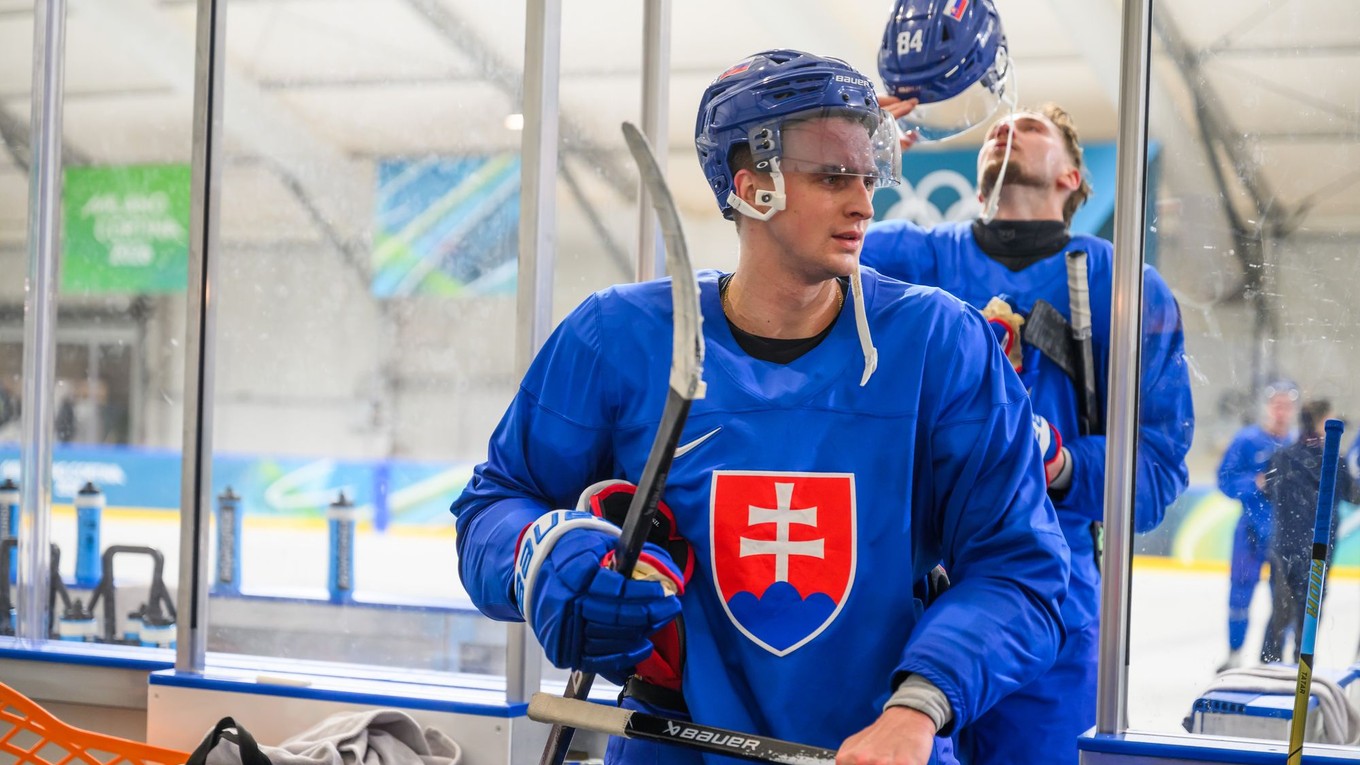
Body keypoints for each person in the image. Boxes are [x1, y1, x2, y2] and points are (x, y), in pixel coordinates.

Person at [450, 49, 1070, 765]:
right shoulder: (616, 338)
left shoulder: (941, 344)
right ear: (752, 186)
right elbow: (492, 508)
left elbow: (1020, 570)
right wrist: (541, 555)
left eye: (868, 175)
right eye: (834, 176)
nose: (864, 202)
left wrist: (919, 707)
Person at [860, 102, 1194, 765]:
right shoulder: (903, 255)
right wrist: (861, 161)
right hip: (905, 581)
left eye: (1033, 128)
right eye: (997, 130)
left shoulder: (1123, 287)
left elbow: (1155, 474)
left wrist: (1060, 462)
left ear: (1073, 178)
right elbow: (797, 272)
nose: (1008, 128)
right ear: (979, 177)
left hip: (1055, 600)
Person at [1260, 399, 1358, 664]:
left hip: (1284, 546)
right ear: (1321, 423)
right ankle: (1302, 666)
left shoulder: (1282, 456)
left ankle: (1269, 663)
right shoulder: (1333, 462)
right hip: (1317, 549)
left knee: (1280, 610)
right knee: (1310, 611)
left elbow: (1266, 490)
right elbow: (1354, 494)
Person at [1214, 380, 1298, 672]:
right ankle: (1234, 653)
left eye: (1287, 406)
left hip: (1286, 535)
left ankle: (1276, 658)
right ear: (1267, 408)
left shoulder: (1297, 444)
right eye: (1276, 405)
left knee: (1284, 598)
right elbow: (1224, 479)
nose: (1281, 411)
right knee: (1240, 593)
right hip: (1249, 532)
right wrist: (1255, 483)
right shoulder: (1247, 440)